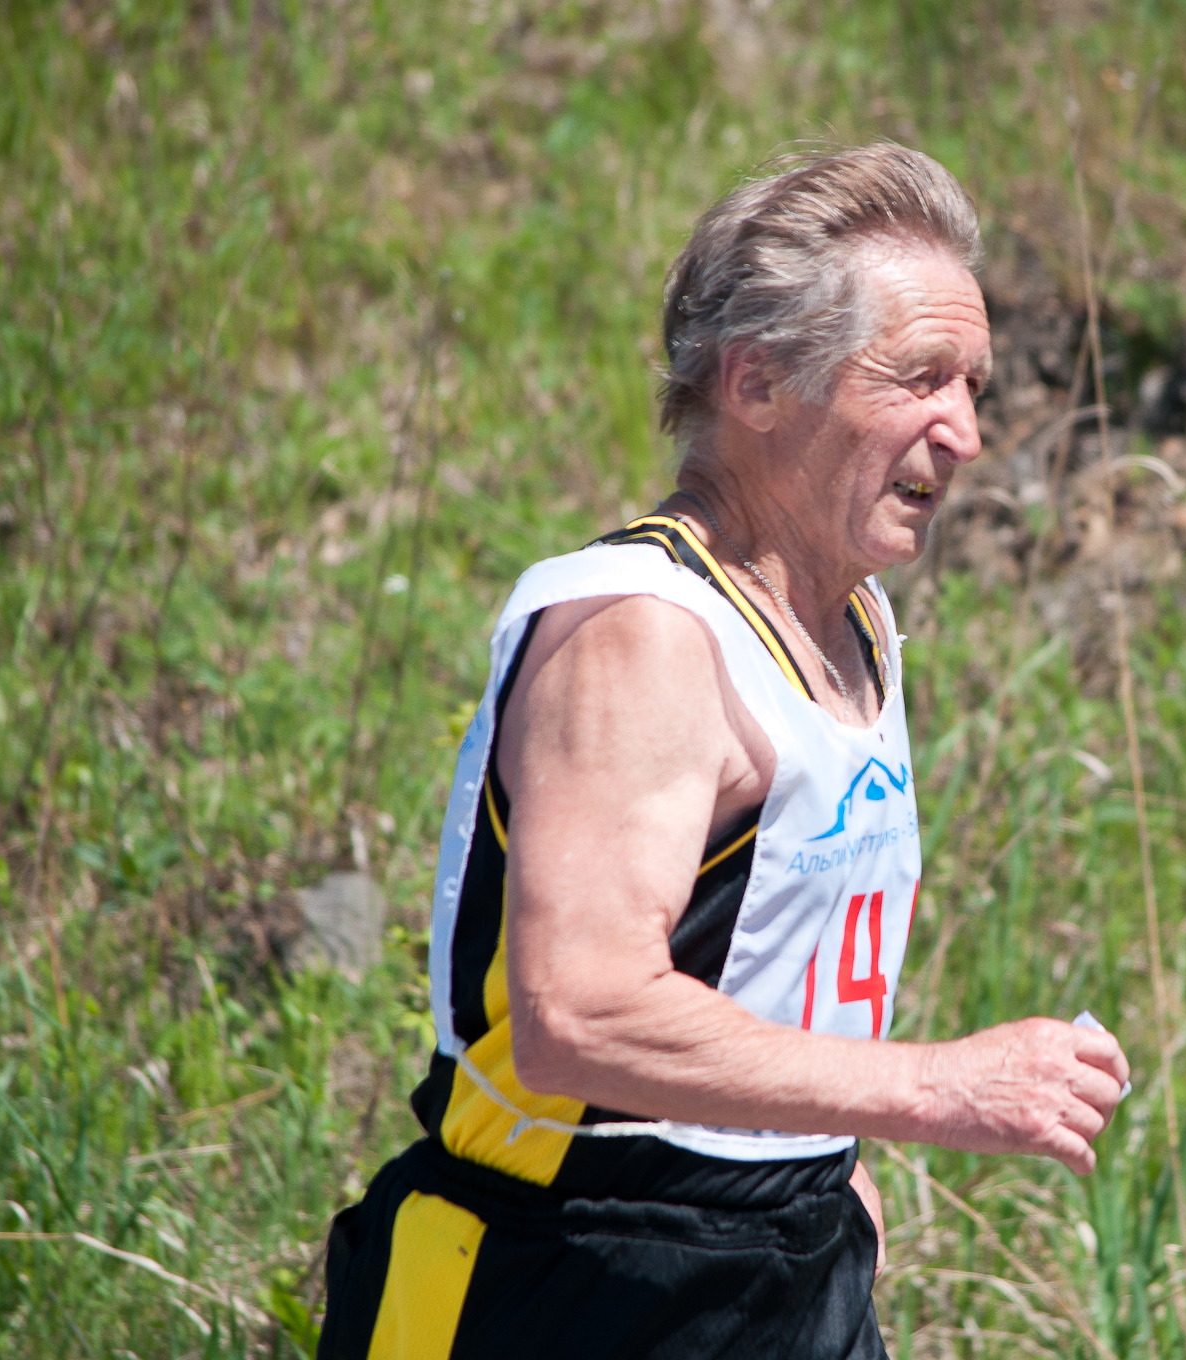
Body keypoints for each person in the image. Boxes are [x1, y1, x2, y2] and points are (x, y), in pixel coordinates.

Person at [318, 143, 1130, 1360]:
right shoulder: (643, 635)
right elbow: (578, 1013)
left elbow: (772, 969)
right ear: (755, 382)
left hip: (780, 1270)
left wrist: (829, 1182)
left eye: (972, 386)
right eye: (918, 378)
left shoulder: (854, 619)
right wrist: (938, 1089)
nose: (962, 432)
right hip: (561, 1280)